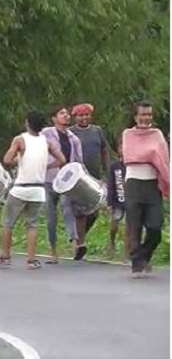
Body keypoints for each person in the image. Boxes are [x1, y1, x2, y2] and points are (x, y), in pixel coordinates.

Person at [0, 111, 66, 269]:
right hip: (38, 189)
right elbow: (62, 160)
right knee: (32, 225)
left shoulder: (20, 140)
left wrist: (18, 159)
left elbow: (6, 159)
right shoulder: (47, 142)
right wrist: (46, 166)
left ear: (27, 123)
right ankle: (31, 260)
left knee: (8, 223)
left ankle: (5, 256)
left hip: (21, 187)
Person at [121, 100, 169, 277]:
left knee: (155, 227)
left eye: (149, 114)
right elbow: (131, 155)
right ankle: (137, 263)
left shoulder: (157, 134)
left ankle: (143, 256)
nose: (146, 118)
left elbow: (163, 159)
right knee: (135, 226)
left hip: (152, 184)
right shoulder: (128, 134)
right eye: (142, 114)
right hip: (134, 183)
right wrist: (151, 154)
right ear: (136, 116)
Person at [41, 105, 84, 263]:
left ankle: (75, 244)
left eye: (67, 113)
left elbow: (79, 162)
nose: (66, 116)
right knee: (51, 216)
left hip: (66, 181)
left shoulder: (74, 139)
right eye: (62, 113)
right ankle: (53, 251)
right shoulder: (46, 134)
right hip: (49, 179)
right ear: (54, 118)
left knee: (68, 209)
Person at [69, 103, 110, 258]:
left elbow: (105, 151)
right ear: (76, 117)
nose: (84, 118)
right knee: (80, 212)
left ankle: (77, 237)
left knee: (94, 212)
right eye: (80, 115)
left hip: (95, 176)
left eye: (86, 115)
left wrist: (107, 172)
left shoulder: (97, 131)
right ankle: (80, 245)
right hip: (79, 179)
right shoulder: (71, 132)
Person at [107, 135, 128, 259]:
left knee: (128, 227)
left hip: (131, 201)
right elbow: (111, 185)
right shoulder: (115, 166)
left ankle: (127, 253)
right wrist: (110, 202)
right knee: (114, 224)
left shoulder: (133, 164)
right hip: (118, 200)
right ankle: (112, 241)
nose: (123, 149)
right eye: (121, 146)